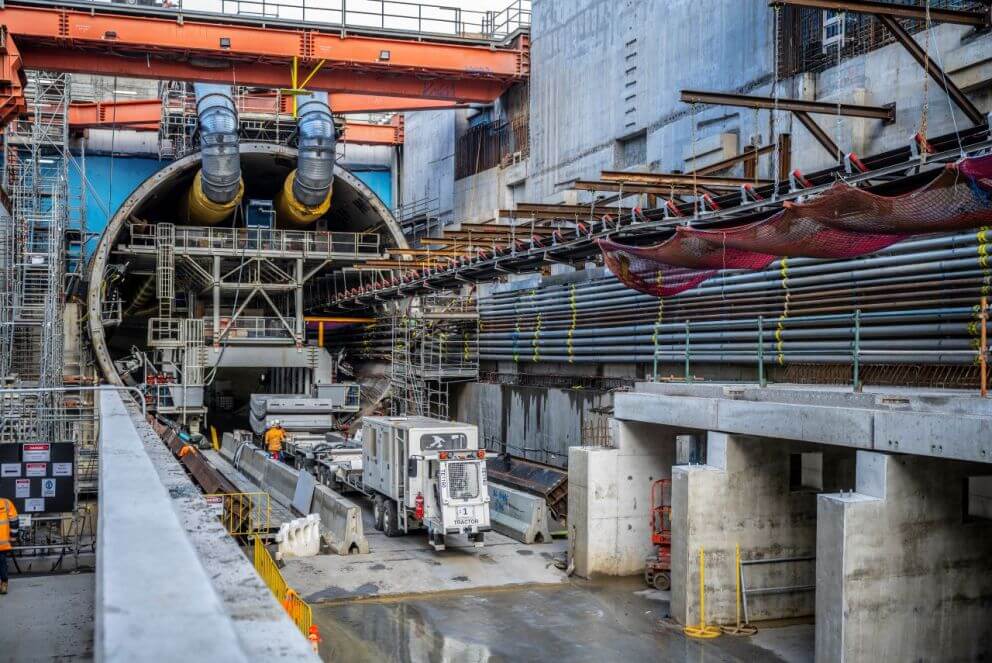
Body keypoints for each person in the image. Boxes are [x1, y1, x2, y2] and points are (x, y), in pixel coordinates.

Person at [0, 496, 19, 595]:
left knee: (2, 563)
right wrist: (13, 537)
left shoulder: (6, 503)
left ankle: (4, 584)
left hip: (2, 544)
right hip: (3, 544)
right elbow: (14, 521)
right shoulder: (6, 503)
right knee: (2, 563)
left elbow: (14, 520)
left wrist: (13, 537)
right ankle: (4, 584)